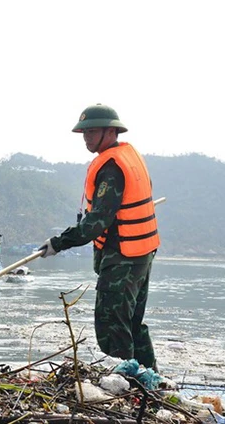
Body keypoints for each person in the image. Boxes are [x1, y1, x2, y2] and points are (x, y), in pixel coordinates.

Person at [39, 103, 161, 370]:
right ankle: (152, 382)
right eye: (84, 133)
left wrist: (58, 243)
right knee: (132, 323)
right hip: (141, 253)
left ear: (110, 131)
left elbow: (97, 222)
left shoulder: (112, 167)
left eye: (92, 132)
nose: (86, 138)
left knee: (112, 326)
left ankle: (127, 386)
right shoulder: (129, 157)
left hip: (124, 257)